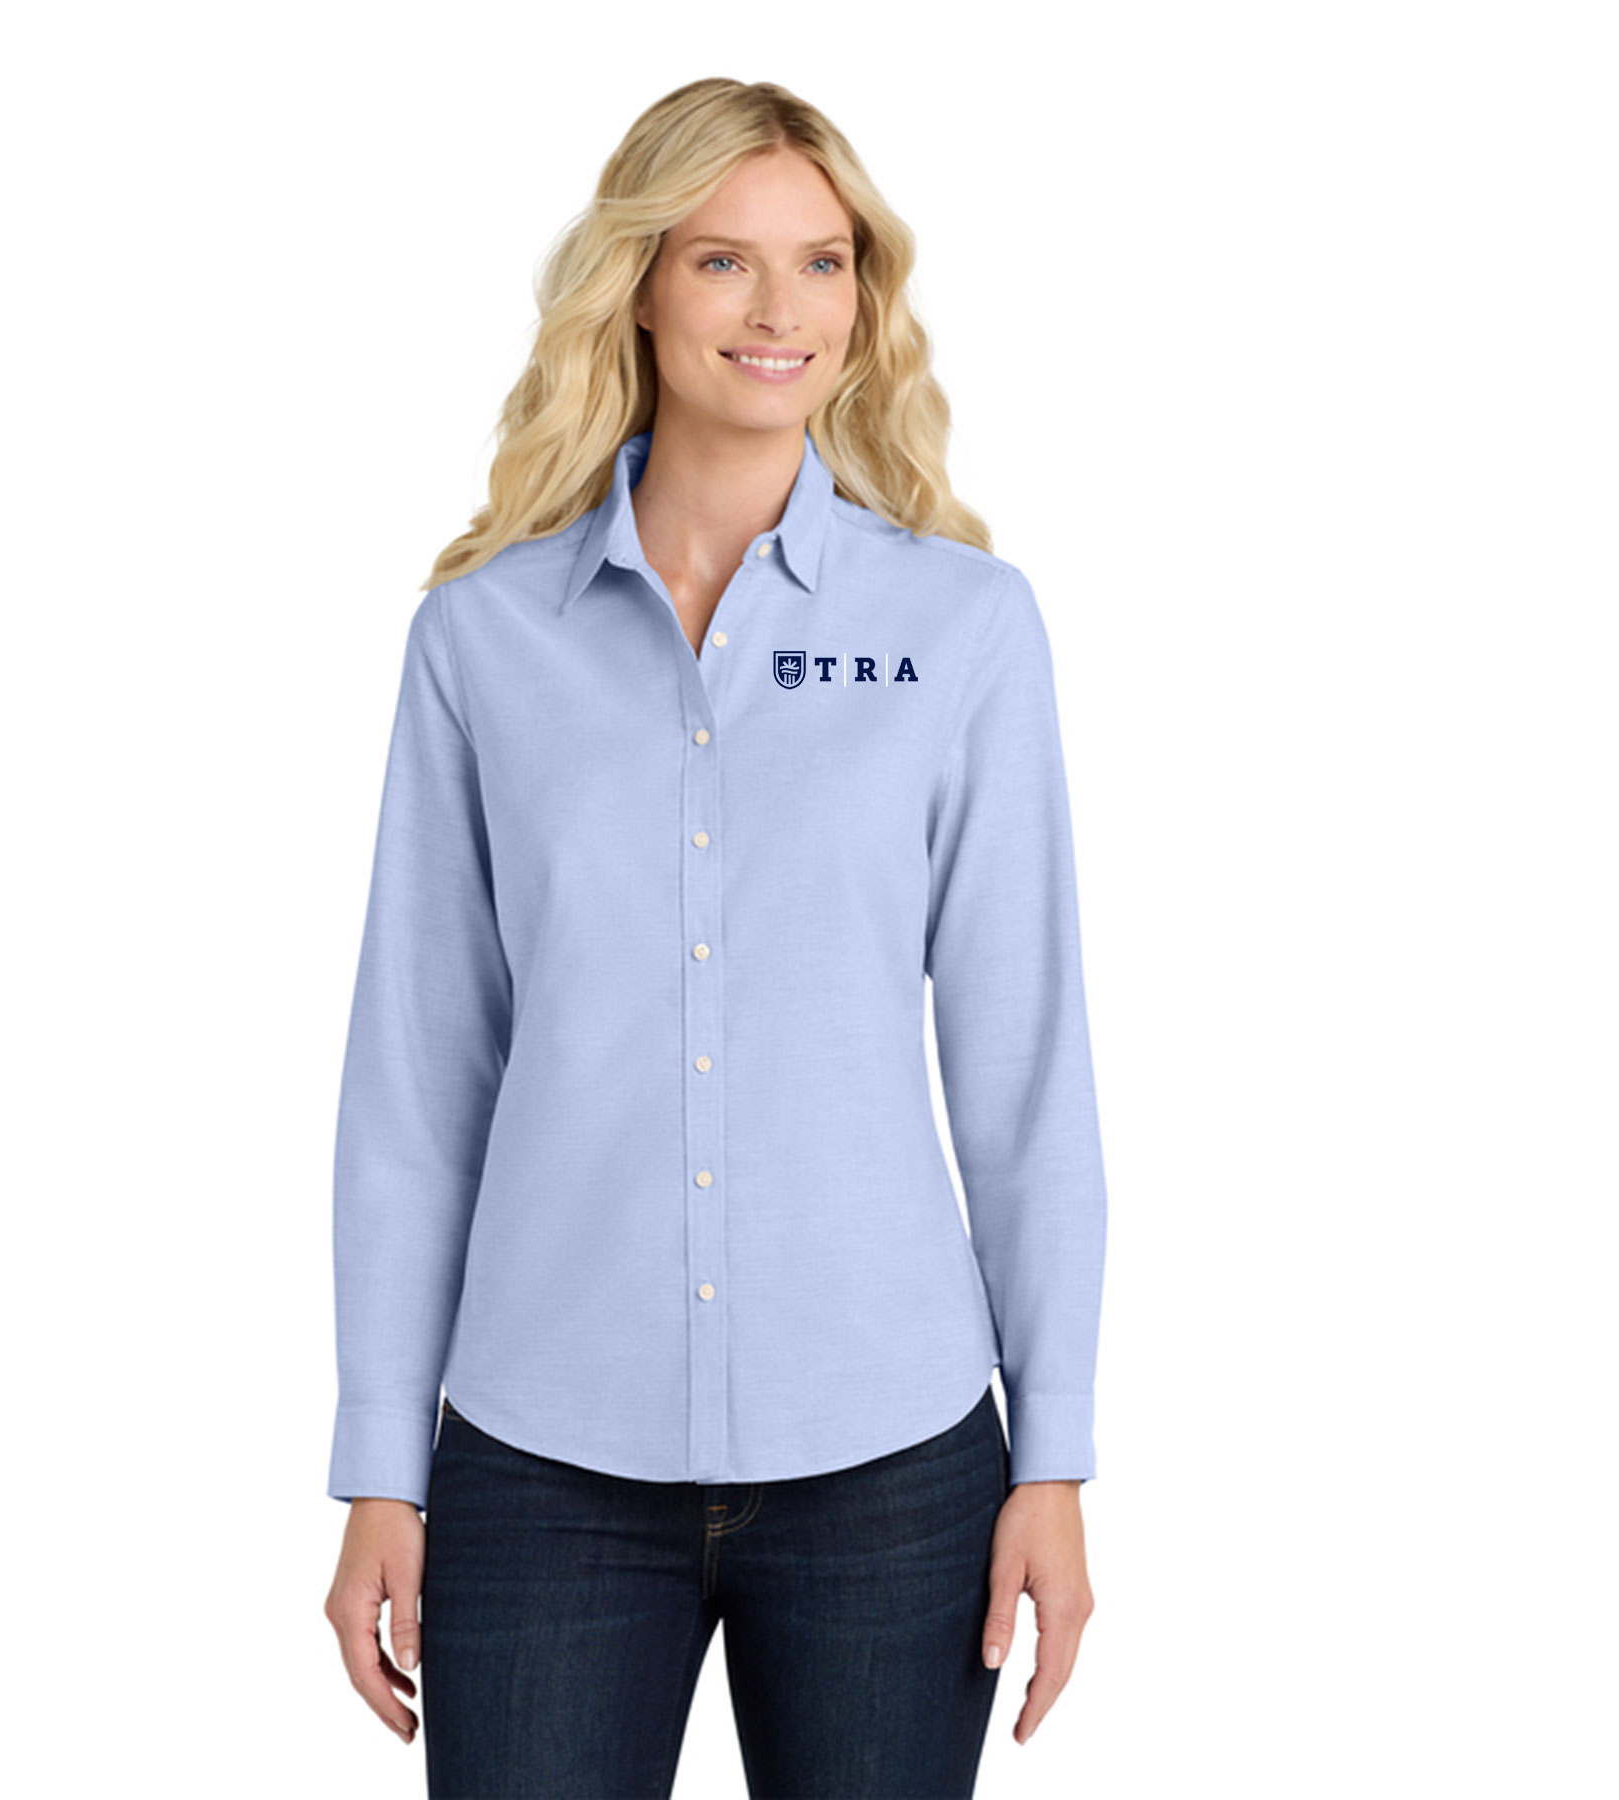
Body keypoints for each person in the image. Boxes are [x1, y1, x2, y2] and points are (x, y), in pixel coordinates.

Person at [321, 76, 1109, 1798]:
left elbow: (1025, 1068)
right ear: (639, 284)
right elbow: (417, 1084)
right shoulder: (479, 641)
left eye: (823, 262)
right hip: (540, 1460)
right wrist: (380, 1463)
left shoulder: (964, 629)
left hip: (893, 1462)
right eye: (725, 260)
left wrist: (1051, 1455)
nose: (781, 309)